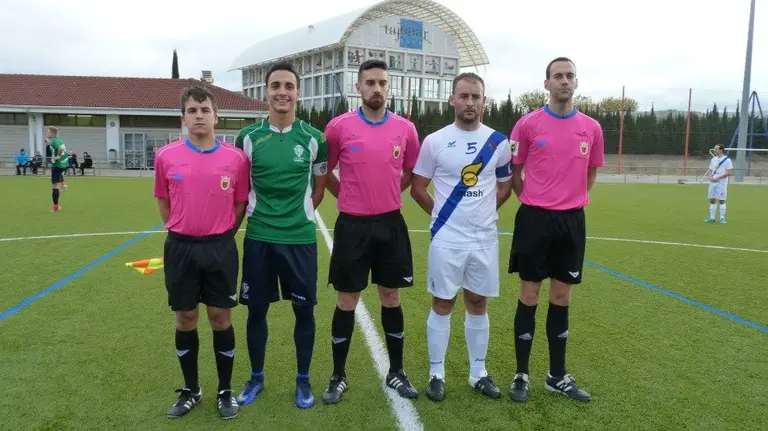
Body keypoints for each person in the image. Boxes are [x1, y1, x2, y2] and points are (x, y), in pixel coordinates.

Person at [321, 59, 421, 404]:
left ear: (388, 87)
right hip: (352, 225)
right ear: (358, 87)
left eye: (382, 82)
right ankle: (338, 376)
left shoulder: (405, 129)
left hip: (390, 224)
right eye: (370, 83)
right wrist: (347, 196)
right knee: (347, 299)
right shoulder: (338, 127)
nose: (376, 88)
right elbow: (325, 171)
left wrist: (390, 194)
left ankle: (397, 371)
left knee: (391, 297)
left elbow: (410, 172)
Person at [410, 72, 514, 402]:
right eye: (464, 96)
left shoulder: (498, 142)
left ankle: (477, 372)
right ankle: (436, 373)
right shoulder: (435, 141)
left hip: (483, 239)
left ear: (484, 102)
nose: (470, 102)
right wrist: (444, 217)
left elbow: (504, 186)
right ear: (452, 99)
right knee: (442, 303)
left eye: (476, 97)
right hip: (446, 240)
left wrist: (483, 212)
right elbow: (417, 188)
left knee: (478, 304)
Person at [507, 57, 604, 403]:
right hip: (535, 219)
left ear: (576, 83)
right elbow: (515, 173)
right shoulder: (527, 125)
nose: (564, 81)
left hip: (571, 221)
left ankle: (556, 375)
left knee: (562, 297)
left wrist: (571, 199)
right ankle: (521, 373)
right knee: (529, 295)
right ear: (546, 83)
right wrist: (533, 200)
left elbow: (590, 173)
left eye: (569, 76)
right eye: (557, 76)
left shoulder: (591, 128)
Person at [234, 61, 328, 409]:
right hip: (259, 237)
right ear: (266, 92)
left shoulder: (315, 138)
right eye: (276, 86)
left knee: (304, 313)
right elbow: (241, 191)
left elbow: (319, 190)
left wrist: (298, 216)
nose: (282, 92)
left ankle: (303, 382)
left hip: (300, 239)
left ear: (298, 93)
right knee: (255, 311)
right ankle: (256, 377)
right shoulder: (248, 137)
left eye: (289, 86)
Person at [153, 85, 250, 420]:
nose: (198, 116)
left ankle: (225, 390)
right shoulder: (166, 156)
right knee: (186, 318)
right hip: (180, 248)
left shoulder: (235, 159)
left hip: (219, 249)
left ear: (215, 116)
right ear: (183, 118)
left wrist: (221, 234)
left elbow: (240, 205)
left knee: (220, 318)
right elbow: (164, 204)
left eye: (204, 110)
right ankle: (192, 389)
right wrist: (183, 229)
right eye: (192, 111)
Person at [704, 143, 732, 224]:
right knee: (712, 199)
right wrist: (710, 177)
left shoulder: (727, 160)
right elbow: (710, 170)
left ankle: (722, 218)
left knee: (722, 200)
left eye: (716, 149)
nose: (714, 150)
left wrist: (718, 178)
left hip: (721, 183)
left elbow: (729, 172)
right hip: (712, 182)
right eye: (714, 148)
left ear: (721, 150)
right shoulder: (713, 160)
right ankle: (712, 218)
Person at [46, 127, 69, 211]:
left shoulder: (54, 142)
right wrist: (48, 140)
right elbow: (55, 144)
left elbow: (60, 148)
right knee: (59, 174)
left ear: (52, 134)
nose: (47, 133)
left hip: (58, 165)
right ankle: (63, 184)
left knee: (54, 185)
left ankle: (56, 207)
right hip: (65, 163)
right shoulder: (58, 138)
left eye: (48, 132)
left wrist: (57, 157)